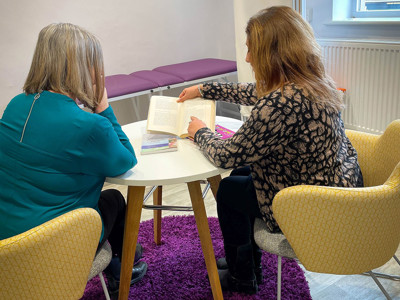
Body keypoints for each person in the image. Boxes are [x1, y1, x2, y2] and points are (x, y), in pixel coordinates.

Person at [178, 6, 363, 295]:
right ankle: (246, 261)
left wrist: (200, 131)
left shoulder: (278, 105)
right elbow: (251, 91)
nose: (248, 57)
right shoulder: (313, 82)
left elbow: (225, 155)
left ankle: (243, 276)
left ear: (272, 53)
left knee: (229, 191)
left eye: (252, 50)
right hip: (338, 186)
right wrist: (204, 89)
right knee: (241, 175)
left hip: (310, 207)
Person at [0, 23, 147, 296]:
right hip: (52, 247)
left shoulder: (15, 105)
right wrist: (103, 107)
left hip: (6, 244)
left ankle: (122, 260)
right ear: (80, 68)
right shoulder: (90, 125)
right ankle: (120, 272)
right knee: (115, 200)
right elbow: (125, 160)